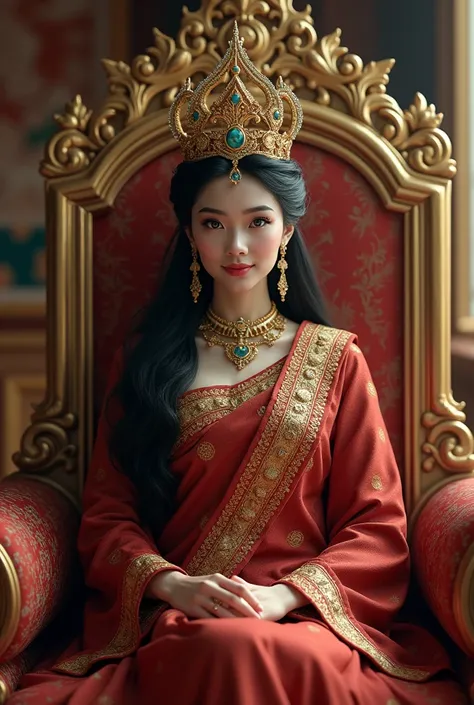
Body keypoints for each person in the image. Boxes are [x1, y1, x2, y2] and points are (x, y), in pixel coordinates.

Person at [9, 23, 467, 705]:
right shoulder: (147, 361)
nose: (237, 244)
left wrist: (283, 597)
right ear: (190, 233)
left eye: (257, 220)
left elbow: (375, 526)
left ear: (287, 229)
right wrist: (174, 583)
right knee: (219, 641)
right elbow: (108, 515)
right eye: (213, 222)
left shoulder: (335, 361)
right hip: (186, 614)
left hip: (306, 620)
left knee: (254, 644)